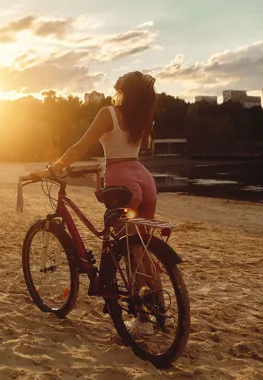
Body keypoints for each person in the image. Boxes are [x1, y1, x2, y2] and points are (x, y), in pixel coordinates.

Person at [28, 71, 161, 336]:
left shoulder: (108, 113)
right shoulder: (141, 117)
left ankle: (144, 318)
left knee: (130, 248)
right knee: (142, 245)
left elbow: (79, 147)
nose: (119, 77)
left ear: (126, 88)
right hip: (145, 180)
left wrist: (52, 168)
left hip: (122, 182)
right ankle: (157, 301)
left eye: (123, 77)